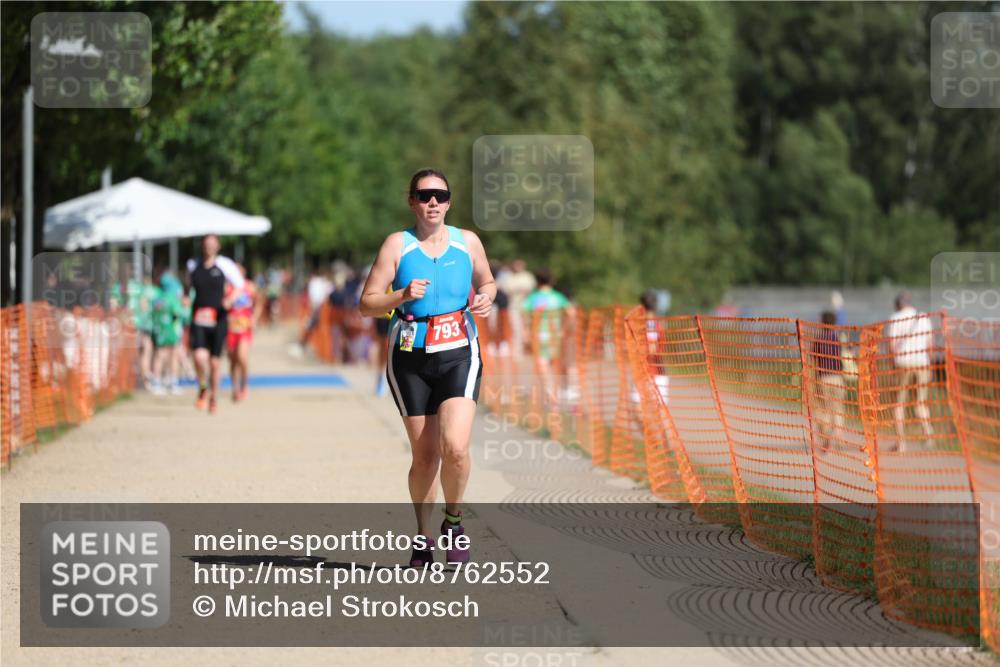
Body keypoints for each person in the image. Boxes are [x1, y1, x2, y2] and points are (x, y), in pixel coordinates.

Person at [359, 168, 496, 567]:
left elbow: (488, 282)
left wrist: (486, 297)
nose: (432, 202)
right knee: (425, 457)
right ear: (412, 201)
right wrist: (399, 295)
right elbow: (366, 303)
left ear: (449, 201)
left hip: (459, 350)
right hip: (409, 356)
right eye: (424, 195)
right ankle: (423, 536)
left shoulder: (467, 241)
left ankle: (453, 522)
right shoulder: (396, 246)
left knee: (455, 446)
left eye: (440, 195)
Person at [187, 234, 244, 414]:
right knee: (198, 358)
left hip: (218, 318)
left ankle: (213, 397)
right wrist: (185, 298)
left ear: (218, 246)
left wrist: (230, 299)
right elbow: (187, 287)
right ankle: (203, 386)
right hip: (198, 317)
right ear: (202, 246)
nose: (209, 247)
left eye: (212, 244)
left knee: (215, 362)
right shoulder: (193, 265)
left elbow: (240, 285)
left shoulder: (225, 265)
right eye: (206, 244)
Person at [886, 291, 934, 451]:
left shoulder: (895, 318)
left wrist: (892, 364)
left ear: (898, 305)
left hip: (902, 362)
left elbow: (891, 344)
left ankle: (901, 443)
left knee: (899, 404)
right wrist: (931, 365)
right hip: (922, 362)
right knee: (920, 403)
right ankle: (928, 436)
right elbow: (929, 344)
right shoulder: (923, 317)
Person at [226, 264, 261, 402]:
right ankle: (235, 388)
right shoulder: (227, 288)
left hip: (245, 328)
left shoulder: (249, 287)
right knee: (233, 360)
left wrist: (254, 318)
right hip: (230, 328)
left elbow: (259, 302)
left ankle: (244, 386)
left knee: (242, 356)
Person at [812, 311, 845, 453]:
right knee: (837, 409)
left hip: (823, 378)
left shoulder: (819, 339)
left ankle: (827, 438)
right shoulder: (838, 338)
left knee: (824, 409)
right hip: (837, 377)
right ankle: (837, 436)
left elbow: (814, 359)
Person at [149, 272, 187, 395]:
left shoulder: (157, 298)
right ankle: (172, 381)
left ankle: (157, 381)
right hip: (171, 330)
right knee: (172, 355)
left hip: (159, 331)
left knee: (159, 355)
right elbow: (179, 313)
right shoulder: (172, 299)